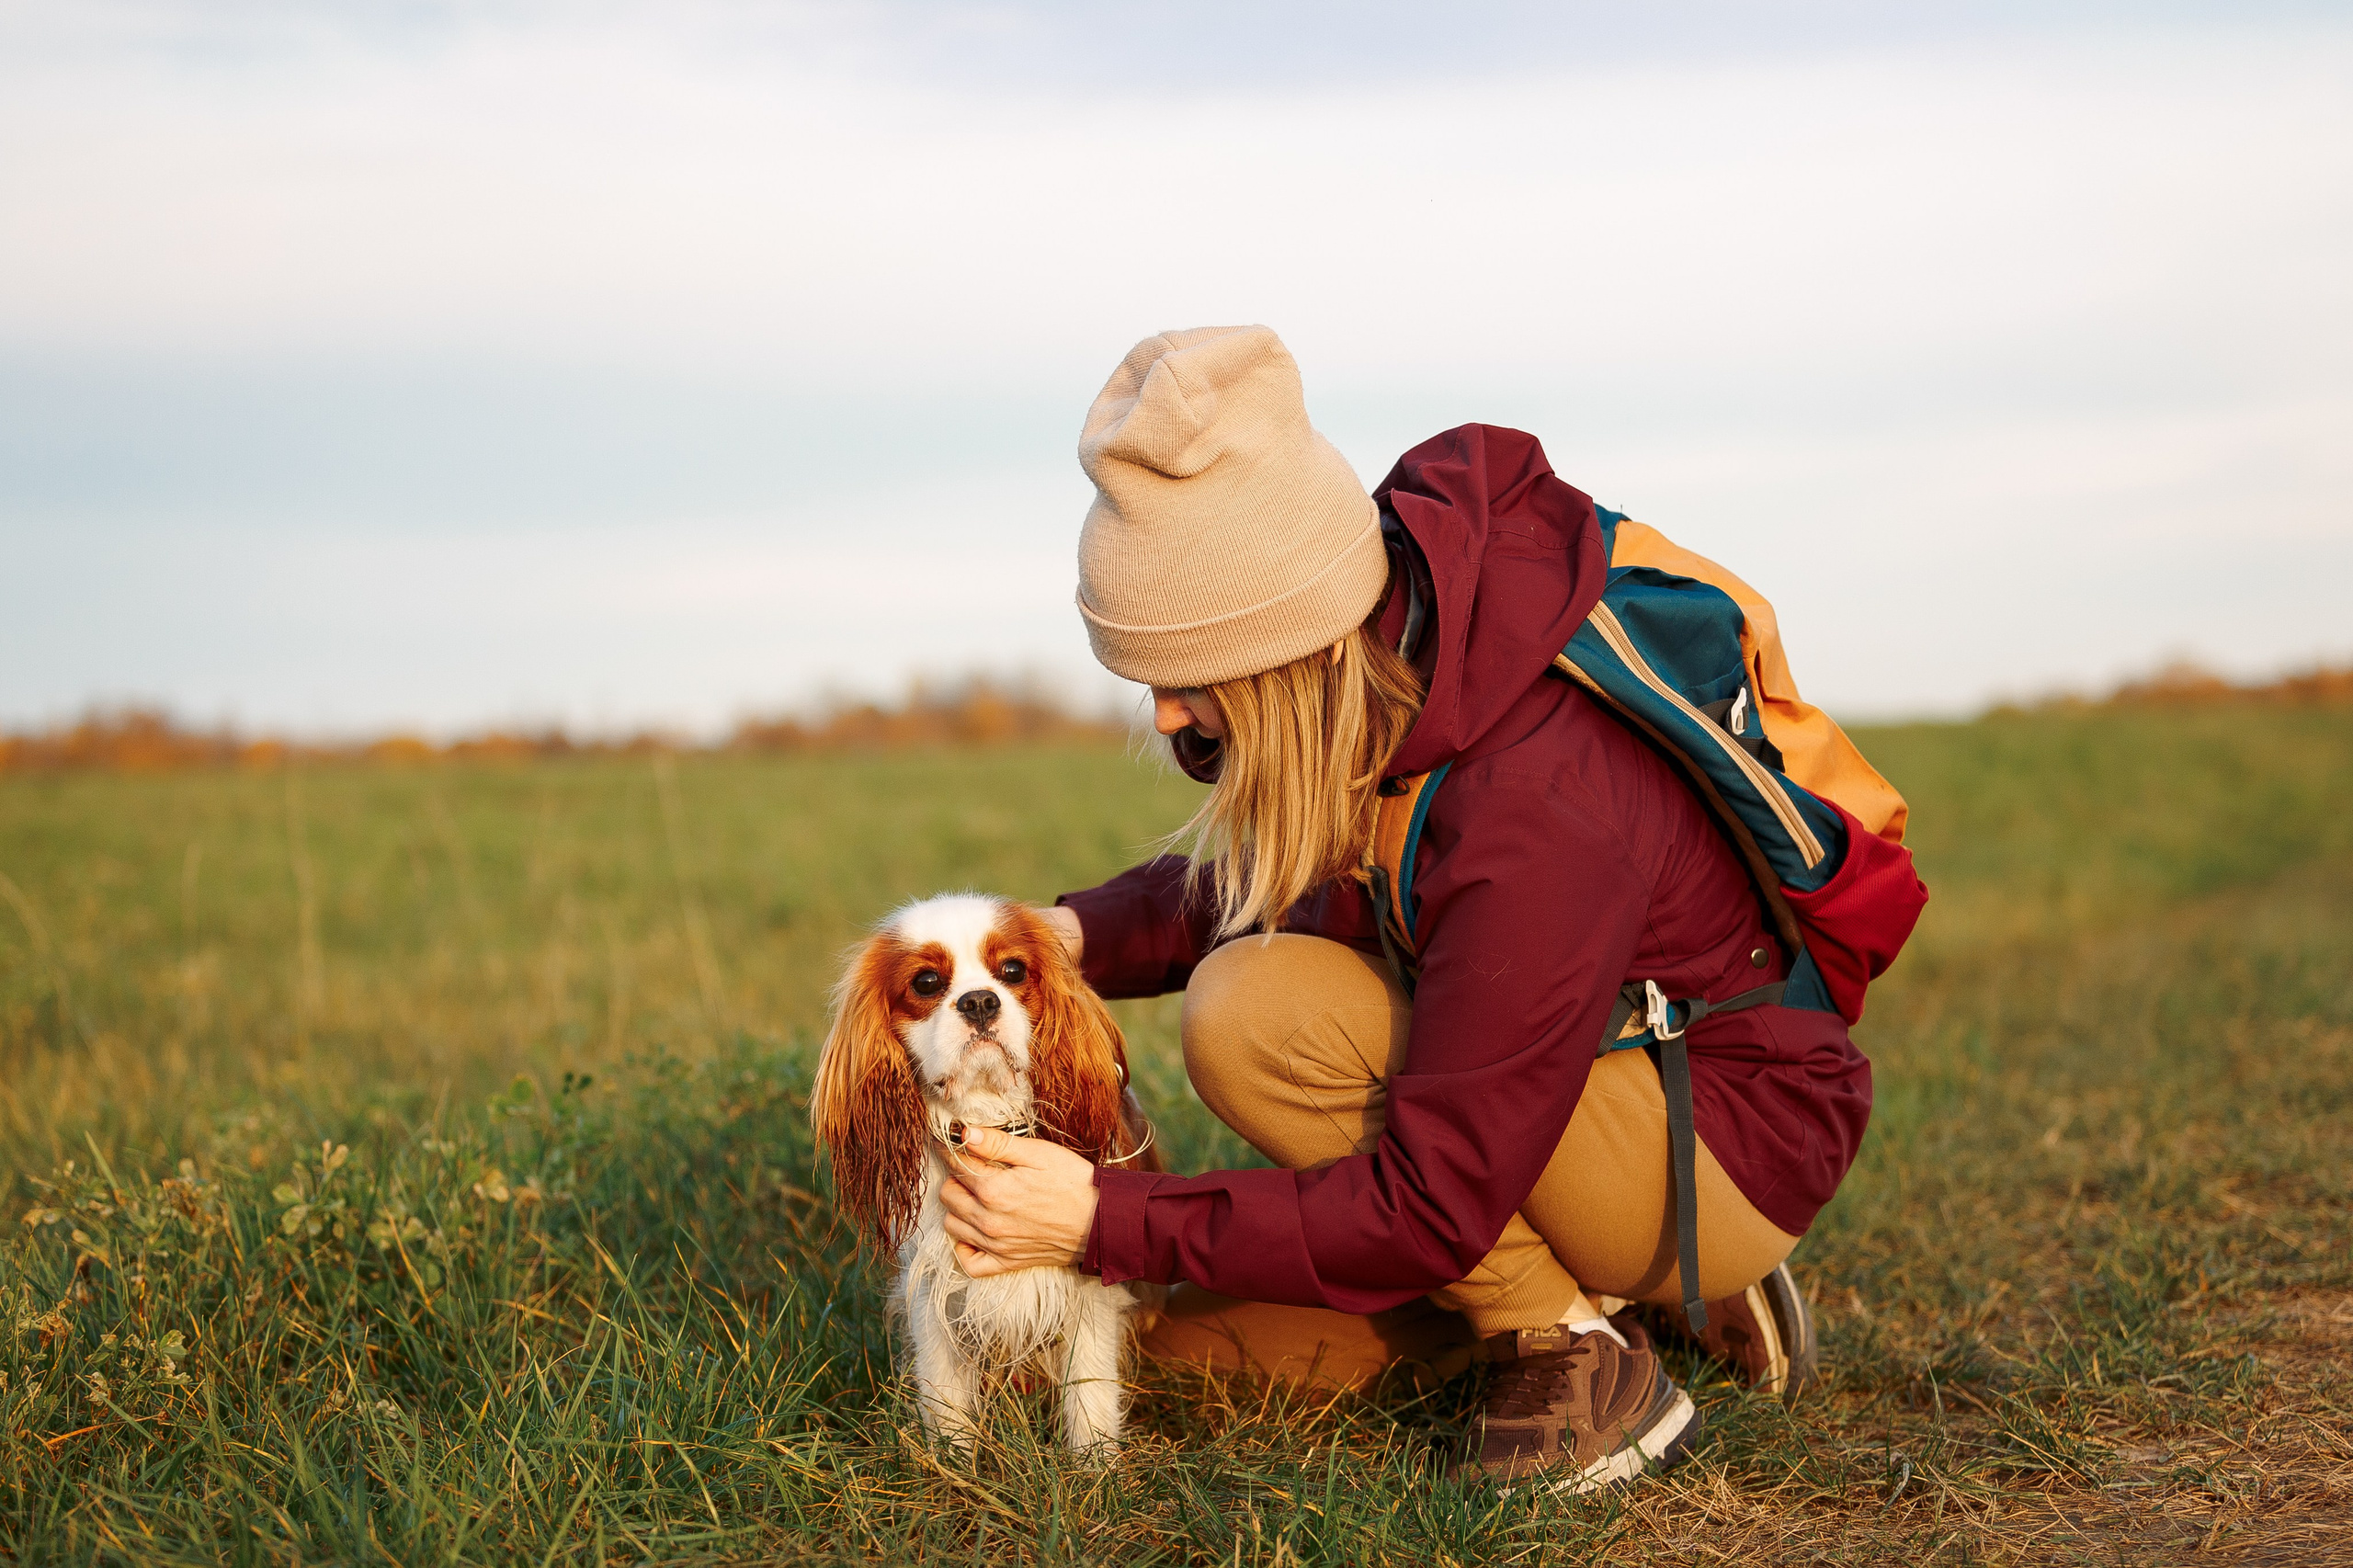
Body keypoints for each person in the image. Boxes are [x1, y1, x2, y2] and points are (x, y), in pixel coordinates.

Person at [938, 324, 1872, 1495]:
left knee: (1247, 1019)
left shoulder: (1529, 798)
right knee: (1179, 1344)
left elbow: (1430, 1205)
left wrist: (1097, 1219)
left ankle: (1576, 1346)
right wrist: (1062, 939)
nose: (1170, 718)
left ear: (1272, 647)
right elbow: (1282, 875)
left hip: (1721, 1133)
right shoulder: (1401, 661)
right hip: (1588, 1081)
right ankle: (1633, 1294)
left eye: (1184, 679)